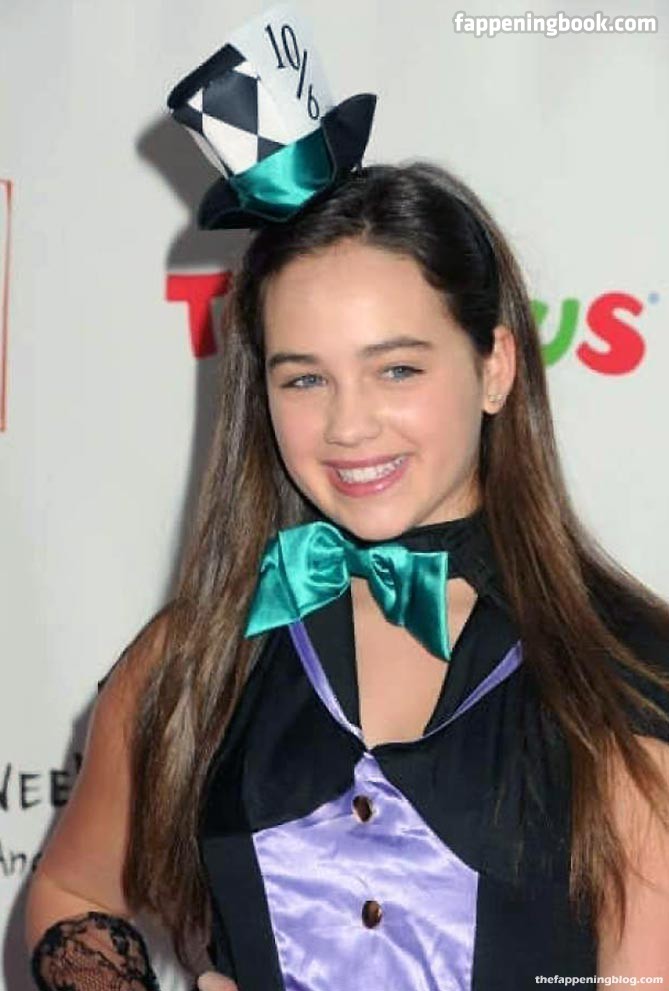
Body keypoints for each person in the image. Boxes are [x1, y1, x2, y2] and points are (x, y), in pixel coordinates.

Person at [24, 21, 669, 991]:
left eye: (396, 368)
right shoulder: (194, 658)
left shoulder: (624, 673)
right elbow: (71, 890)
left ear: (495, 365)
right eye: (304, 378)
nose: (349, 425)